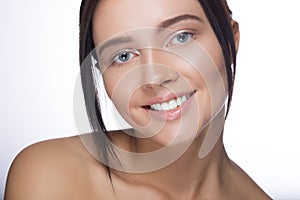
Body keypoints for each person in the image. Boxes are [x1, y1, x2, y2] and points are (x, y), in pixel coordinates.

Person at [4, 0, 272, 199]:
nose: (153, 76)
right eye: (123, 55)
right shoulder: (49, 180)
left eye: (180, 37)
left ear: (230, 39)